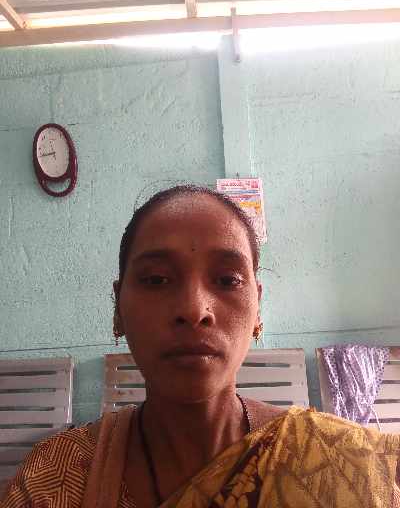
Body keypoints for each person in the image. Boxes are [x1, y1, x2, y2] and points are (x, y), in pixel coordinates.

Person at [2, 184, 399, 508]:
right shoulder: (54, 480)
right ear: (119, 307)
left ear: (257, 308)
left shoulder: (342, 462)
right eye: (156, 280)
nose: (194, 310)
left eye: (227, 280)